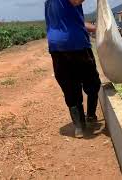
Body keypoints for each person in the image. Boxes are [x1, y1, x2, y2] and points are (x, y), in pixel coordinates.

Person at [45, 0, 101, 138]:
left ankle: (79, 126)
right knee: (92, 82)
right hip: (76, 44)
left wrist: (96, 28)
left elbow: (76, 21)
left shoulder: (49, 3)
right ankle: (91, 116)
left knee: (69, 85)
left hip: (56, 47)